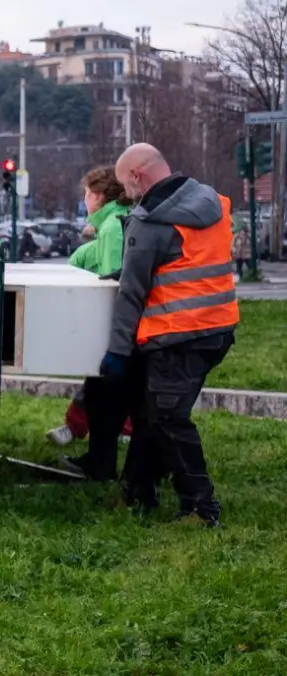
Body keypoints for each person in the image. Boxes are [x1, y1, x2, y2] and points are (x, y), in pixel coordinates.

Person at [107, 143, 238, 527]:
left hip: (177, 334)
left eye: (125, 186)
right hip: (219, 327)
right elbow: (187, 261)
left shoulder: (149, 222)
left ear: (136, 176)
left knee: (166, 416)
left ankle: (201, 506)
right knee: (150, 412)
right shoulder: (212, 202)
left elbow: (132, 294)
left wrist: (117, 351)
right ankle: (137, 490)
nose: (126, 195)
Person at [47, 167, 135, 463]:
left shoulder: (111, 227)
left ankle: (100, 462)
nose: (85, 201)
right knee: (104, 392)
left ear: (97, 196)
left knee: (104, 396)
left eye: (86, 194)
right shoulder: (120, 218)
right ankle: (99, 459)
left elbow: (113, 283)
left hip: (117, 329)